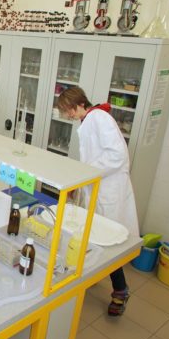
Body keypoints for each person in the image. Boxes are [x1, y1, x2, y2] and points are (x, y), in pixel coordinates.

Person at [57, 86, 139, 316]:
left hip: (109, 191)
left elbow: (117, 156)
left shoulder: (100, 118)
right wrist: (80, 182)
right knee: (92, 236)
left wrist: (86, 174)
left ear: (78, 104)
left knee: (108, 241)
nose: (67, 115)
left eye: (67, 110)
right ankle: (90, 274)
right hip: (98, 188)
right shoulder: (89, 120)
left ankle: (121, 290)